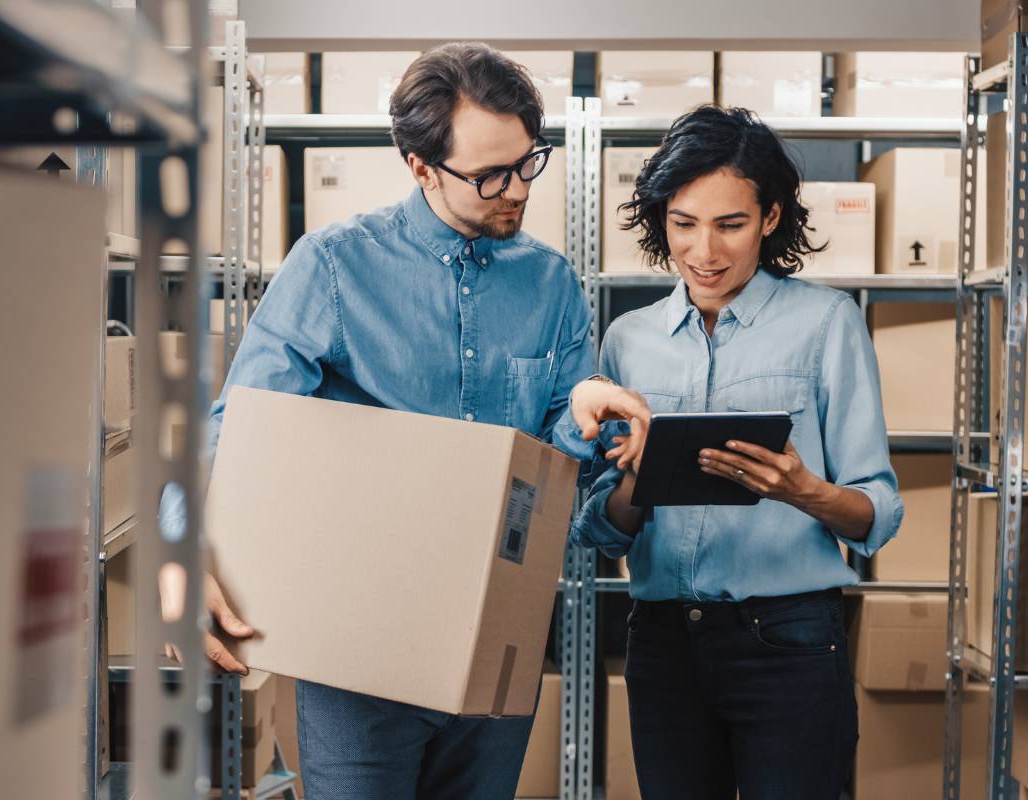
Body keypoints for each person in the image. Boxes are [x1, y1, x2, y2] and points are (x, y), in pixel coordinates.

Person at [159, 43, 648, 800]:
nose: (516, 189)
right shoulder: (332, 268)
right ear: (420, 167)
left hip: (496, 642)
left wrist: (581, 420)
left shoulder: (551, 283)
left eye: (527, 163)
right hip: (359, 652)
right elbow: (236, 430)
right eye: (488, 175)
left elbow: (558, 473)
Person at [566, 105, 904, 800]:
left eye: (730, 224)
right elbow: (599, 530)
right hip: (662, 643)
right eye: (684, 224)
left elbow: (878, 513)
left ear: (772, 217)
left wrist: (800, 489)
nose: (704, 253)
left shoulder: (826, 324)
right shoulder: (628, 340)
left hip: (789, 640)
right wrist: (634, 478)